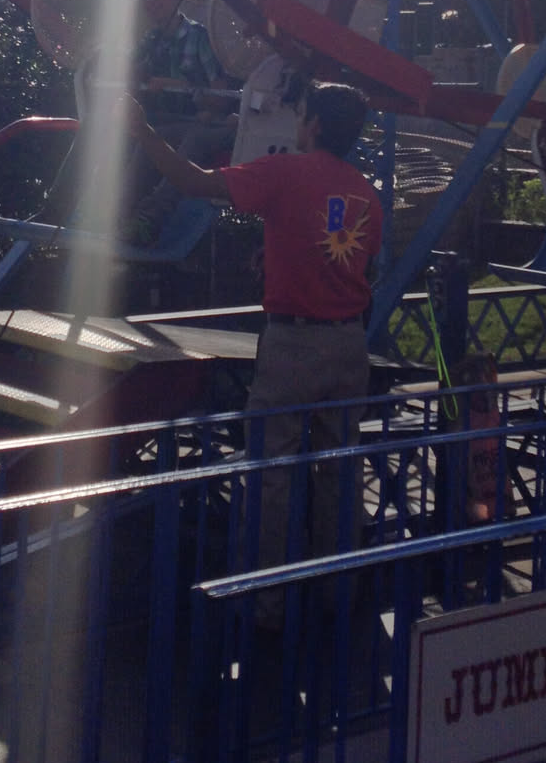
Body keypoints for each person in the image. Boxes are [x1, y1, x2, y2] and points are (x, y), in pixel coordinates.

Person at [122, 80, 384, 603]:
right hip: (349, 344)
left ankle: (267, 602)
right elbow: (349, 256)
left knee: (271, 472)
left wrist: (142, 131)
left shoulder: (284, 171)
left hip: (294, 343)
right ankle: (339, 592)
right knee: (339, 470)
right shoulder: (364, 192)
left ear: (314, 124)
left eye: (301, 114)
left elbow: (193, 182)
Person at [124, 0, 236, 241]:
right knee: (131, 131)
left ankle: (151, 217)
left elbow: (221, 98)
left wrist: (177, 85)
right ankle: (111, 208)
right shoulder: (150, 40)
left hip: (205, 122)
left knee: (187, 137)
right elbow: (128, 74)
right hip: (170, 121)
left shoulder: (199, 37)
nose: (151, 1)